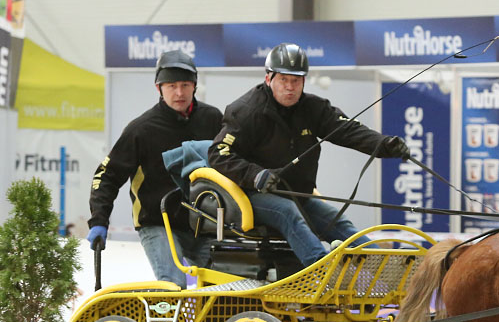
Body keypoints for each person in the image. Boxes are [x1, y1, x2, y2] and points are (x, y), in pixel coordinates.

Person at [208, 42, 410, 267]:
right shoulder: (246, 111)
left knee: (339, 222)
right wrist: (257, 175)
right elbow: (218, 153)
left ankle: (389, 269)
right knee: (288, 212)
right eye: (283, 79)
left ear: (304, 81)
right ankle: (321, 274)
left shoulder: (313, 107)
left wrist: (384, 145)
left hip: (298, 195)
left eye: (296, 80)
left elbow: (348, 130)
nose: (290, 87)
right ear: (269, 79)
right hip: (252, 196)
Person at [87, 50, 223, 288]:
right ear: (158, 88)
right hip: (158, 223)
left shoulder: (212, 119)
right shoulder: (141, 129)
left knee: (225, 286)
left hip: (203, 223)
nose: (179, 93)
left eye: (184, 85)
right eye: (171, 86)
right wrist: (99, 220)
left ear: (194, 86)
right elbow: (106, 176)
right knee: (173, 286)